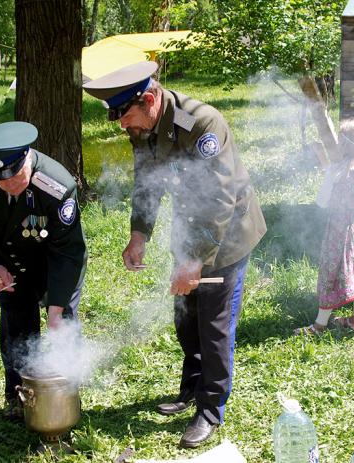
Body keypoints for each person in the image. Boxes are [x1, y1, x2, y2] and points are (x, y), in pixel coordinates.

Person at [83, 62, 266, 448]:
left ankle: (210, 409)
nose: (121, 125)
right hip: (189, 232)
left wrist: (194, 261)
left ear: (149, 99)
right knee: (186, 316)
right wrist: (139, 234)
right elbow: (146, 182)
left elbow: (219, 199)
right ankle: (191, 389)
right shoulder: (143, 124)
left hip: (227, 235)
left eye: (124, 114)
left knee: (213, 325)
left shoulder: (201, 124)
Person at [0, 121, 87, 420]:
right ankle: (18, 396)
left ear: (27, 157)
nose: (10, 186)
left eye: (16, 177)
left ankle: (66, 395)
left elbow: (68, 251)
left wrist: (55, 308)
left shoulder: (56, 185)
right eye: (0, 182)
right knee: (17, 327)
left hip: (54, 264)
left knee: (63, 324)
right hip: (10, 263)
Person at [294, 118, 354, 336]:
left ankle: (319, 325)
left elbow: (322, 201)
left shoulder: (336, 171)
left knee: (332, 272)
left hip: (339, 229)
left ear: (346, 144)